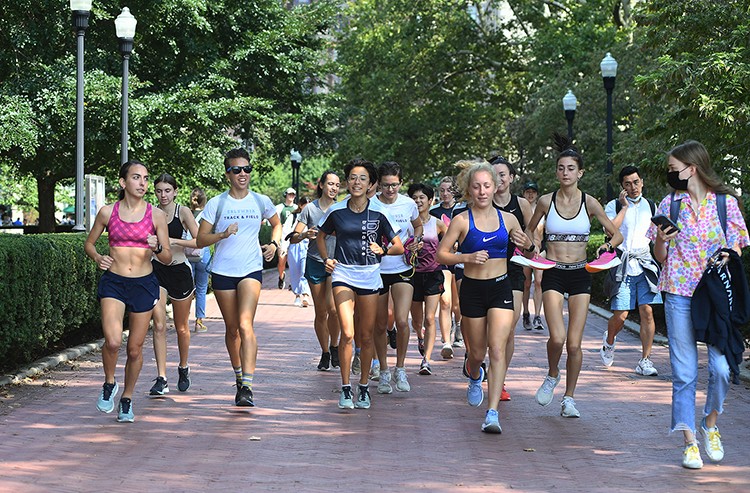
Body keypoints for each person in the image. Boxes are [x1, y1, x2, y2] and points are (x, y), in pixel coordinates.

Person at [647, 140, 748, 469]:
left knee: (720, 369)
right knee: (685, 373)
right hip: (677, 292)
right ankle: (689, 441)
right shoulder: (669, 204)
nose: (670, 174)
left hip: (713, 296)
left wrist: (726, 255)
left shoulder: (726, 204)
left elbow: (737, 251)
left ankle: (710, 424)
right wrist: (662, 240)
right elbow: (659, 258)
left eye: (674, 168)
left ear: (692, 168)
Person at [524, 133, 622, 419]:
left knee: (575, 343)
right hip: (553, 272)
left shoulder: (590, 203)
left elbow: (616, 234)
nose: (565, 173)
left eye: (570, 168)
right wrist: (534, 249)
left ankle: (569, 398)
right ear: (556, 171)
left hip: (580, 274)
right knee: (557, 337)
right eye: (560, 168)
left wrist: (607, 245)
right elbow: (530, 231)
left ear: (580, 172)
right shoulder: (545, 201)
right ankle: (552, 374)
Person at [437, 159, 533, 433]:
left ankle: (492, 413)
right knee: (477, 353)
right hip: (472, 290)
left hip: (501, 287)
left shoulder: (509, 219)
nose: (482, 191)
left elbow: (529, 252)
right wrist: (466, 256)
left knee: (498, 347)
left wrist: (528, 245)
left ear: (495, 187)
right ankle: (474, 373)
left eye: (487, 186)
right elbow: (441, 254)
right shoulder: (461, 220)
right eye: (476, 186)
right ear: (469, 189)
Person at [84, 160, 172, 423]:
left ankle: (127, 398)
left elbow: (167, 257)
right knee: (112, 341)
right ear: (123, 183)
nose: (143, 183)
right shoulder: (107, 212)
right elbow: (89, 244)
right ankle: (109, 382)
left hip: (144, 284)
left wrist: (157, 247)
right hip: (114, 282)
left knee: (134, 349)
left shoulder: (156, 215)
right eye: (136, 177)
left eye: (146, 178)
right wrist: (98, 258)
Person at [196, 148, 282, 407]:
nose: (242, 174)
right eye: (236, 170)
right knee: (232, 329)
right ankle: (238, 375)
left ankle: (247, 385)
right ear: (228, 174)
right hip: (223, 271)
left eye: (246, 169)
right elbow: (201, 239)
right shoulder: (217, 203)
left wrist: (274, 244)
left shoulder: (260, 201)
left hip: (250, 270)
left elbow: (276, 223)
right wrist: (222, 234)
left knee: (246, 325)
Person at [316, 158, 404, 410]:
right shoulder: (336, 211)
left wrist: (383, 249)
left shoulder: (379, 212)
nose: (357, 182)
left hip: (369, 275)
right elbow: (321, 236)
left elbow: (398, 246)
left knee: (366, 337)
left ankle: (363, 387)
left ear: (371, 185)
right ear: (347, 182)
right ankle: (345, 388)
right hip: (343, 274)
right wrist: (327, 259)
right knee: (348, 332)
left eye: (363, 178)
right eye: (353, 177)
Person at [601, 166, 662, 375]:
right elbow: (610, 231)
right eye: (628, 183)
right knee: (622, 314)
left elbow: (658, 237)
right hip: (622, 263)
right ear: (622, 187)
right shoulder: (614, 205)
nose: (633, 187)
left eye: (636, 182)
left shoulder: (652, 206)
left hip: (645, 263)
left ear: (642, 182)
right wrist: (624, 208)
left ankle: (645, 360)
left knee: (647, 311)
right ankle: (609, 341)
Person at [147, 174, 200, 397]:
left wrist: (175, 241)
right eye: (159, 190)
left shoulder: (183, 212)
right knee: (159, 325)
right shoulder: (149, 212)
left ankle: (183, 367)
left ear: (175, 191)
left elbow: (200, 241)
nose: (163, 195)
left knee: (181, 328)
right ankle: (162, 377)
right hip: (156, 270)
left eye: (167, 190)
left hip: (179, 270)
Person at [372, 161, 422, 394]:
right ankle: (383, 370)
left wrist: (415, 242)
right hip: (377, 269)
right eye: (385, 185)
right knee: (380, 324)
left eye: (394, 185)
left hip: (403, 267)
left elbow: (418, 225)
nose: (390, 190)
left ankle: (400, 368)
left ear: (401, 183)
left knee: (402, 321)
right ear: (378, 185)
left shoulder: (409, 204)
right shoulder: (371, 204)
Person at [490, 156, 534, 401]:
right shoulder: (482, 203)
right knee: (488, 331)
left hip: (514, 269)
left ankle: (500, 380)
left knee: (507, 330)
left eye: (503, 174)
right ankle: (476, 364)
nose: (499, 180)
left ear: (512, 177)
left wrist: (529, 244)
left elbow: (532, 244)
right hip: (486, 269)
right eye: (494, 175)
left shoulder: (521, 205)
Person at [291, 171, 342, 371]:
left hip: (336, 263)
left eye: (337, 185)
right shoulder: (310, 209)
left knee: (334, 310)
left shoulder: (341, 208)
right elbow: (293, 237)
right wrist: (304, 234)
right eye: (330, 184)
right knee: (321, 312)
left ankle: (335, 345)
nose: (334, 188)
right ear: (321, 185)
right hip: (314, 261)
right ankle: (325, 352)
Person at [407, 183, 447, 376]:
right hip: (412, 275)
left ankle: (427, 360)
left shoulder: (438, 223)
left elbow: (450, 243)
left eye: (422, 197)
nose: (418, 201)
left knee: (430, 318)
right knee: (417, 320)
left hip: (433, 274)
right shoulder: (407, 223)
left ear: (430, 201)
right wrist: (409, 248)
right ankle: (420, 337)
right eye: (414, 198)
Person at [430, 177, 463, 348]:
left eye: (449, 190)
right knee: (446, 301)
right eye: (442, 190)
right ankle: (446, 341)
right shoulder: (433, 212)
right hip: (442, 260)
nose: (445, 193)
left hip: (460, 260)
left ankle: (458, 325)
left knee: (457, 304)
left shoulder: (462, 210)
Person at [521, 181, 545, 331]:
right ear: (523, 193)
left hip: (540, 252)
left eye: (533, 192)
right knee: (526, 283)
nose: (530, 194)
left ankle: (537, 315)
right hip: (524, 252)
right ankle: (525, 313)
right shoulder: (521, 210)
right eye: (527, 191)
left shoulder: (543, 211)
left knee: (539, 282)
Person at [188, 188, 209, 333]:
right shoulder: (207, 216)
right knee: (201, 289)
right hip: (203, 254)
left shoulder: (185, 214)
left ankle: (182, 320)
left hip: (186, 253)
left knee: (186, 289)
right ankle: (199, 321)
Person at [287, 197, 312, 308]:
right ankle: (297, 295)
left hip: (306, 246)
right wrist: (282, 248)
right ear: (301, 205)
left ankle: (306, 295)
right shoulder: (293, 217)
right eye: (305, 204)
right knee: (295, 271)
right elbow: (286, 233)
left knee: (304, 270)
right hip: (294, 246)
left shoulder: (312, 217)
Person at [276, 188, 297, 289]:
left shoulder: (297, 208)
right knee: (281, 260)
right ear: (286, 195)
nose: (291, 196)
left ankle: (292, 282)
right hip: (283, 238)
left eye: (293, 194)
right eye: (289, 194)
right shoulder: (280, 208)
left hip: (294, 238)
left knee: (293, 261)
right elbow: (276, 224)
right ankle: (281, 276)